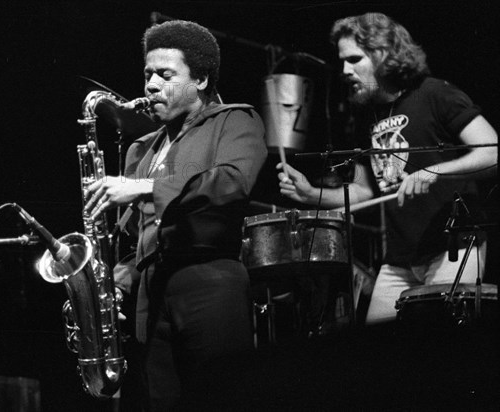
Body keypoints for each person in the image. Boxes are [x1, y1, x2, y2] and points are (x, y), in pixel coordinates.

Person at [84, 20, 267, 410]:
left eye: (166, 75)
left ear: (200, 79)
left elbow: (231, 183)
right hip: (151, 292)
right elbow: (141, 234)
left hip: (209, 280)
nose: (151, 85)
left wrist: (148, 187)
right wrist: (120, 274)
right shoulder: (142, 149)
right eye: (148, 74)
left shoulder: (235, 119)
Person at [277, 12, 497, 326]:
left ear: (385, 55)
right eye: (342, 61)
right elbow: (366, 190)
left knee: (443, 346)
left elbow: (493, 150)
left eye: (354, 59)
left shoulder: (435, 94)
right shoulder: (368, 115)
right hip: (399, 259)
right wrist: (310, 193)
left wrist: (433, 172)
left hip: (453, 247)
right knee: (378, 359)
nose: (344, 70)